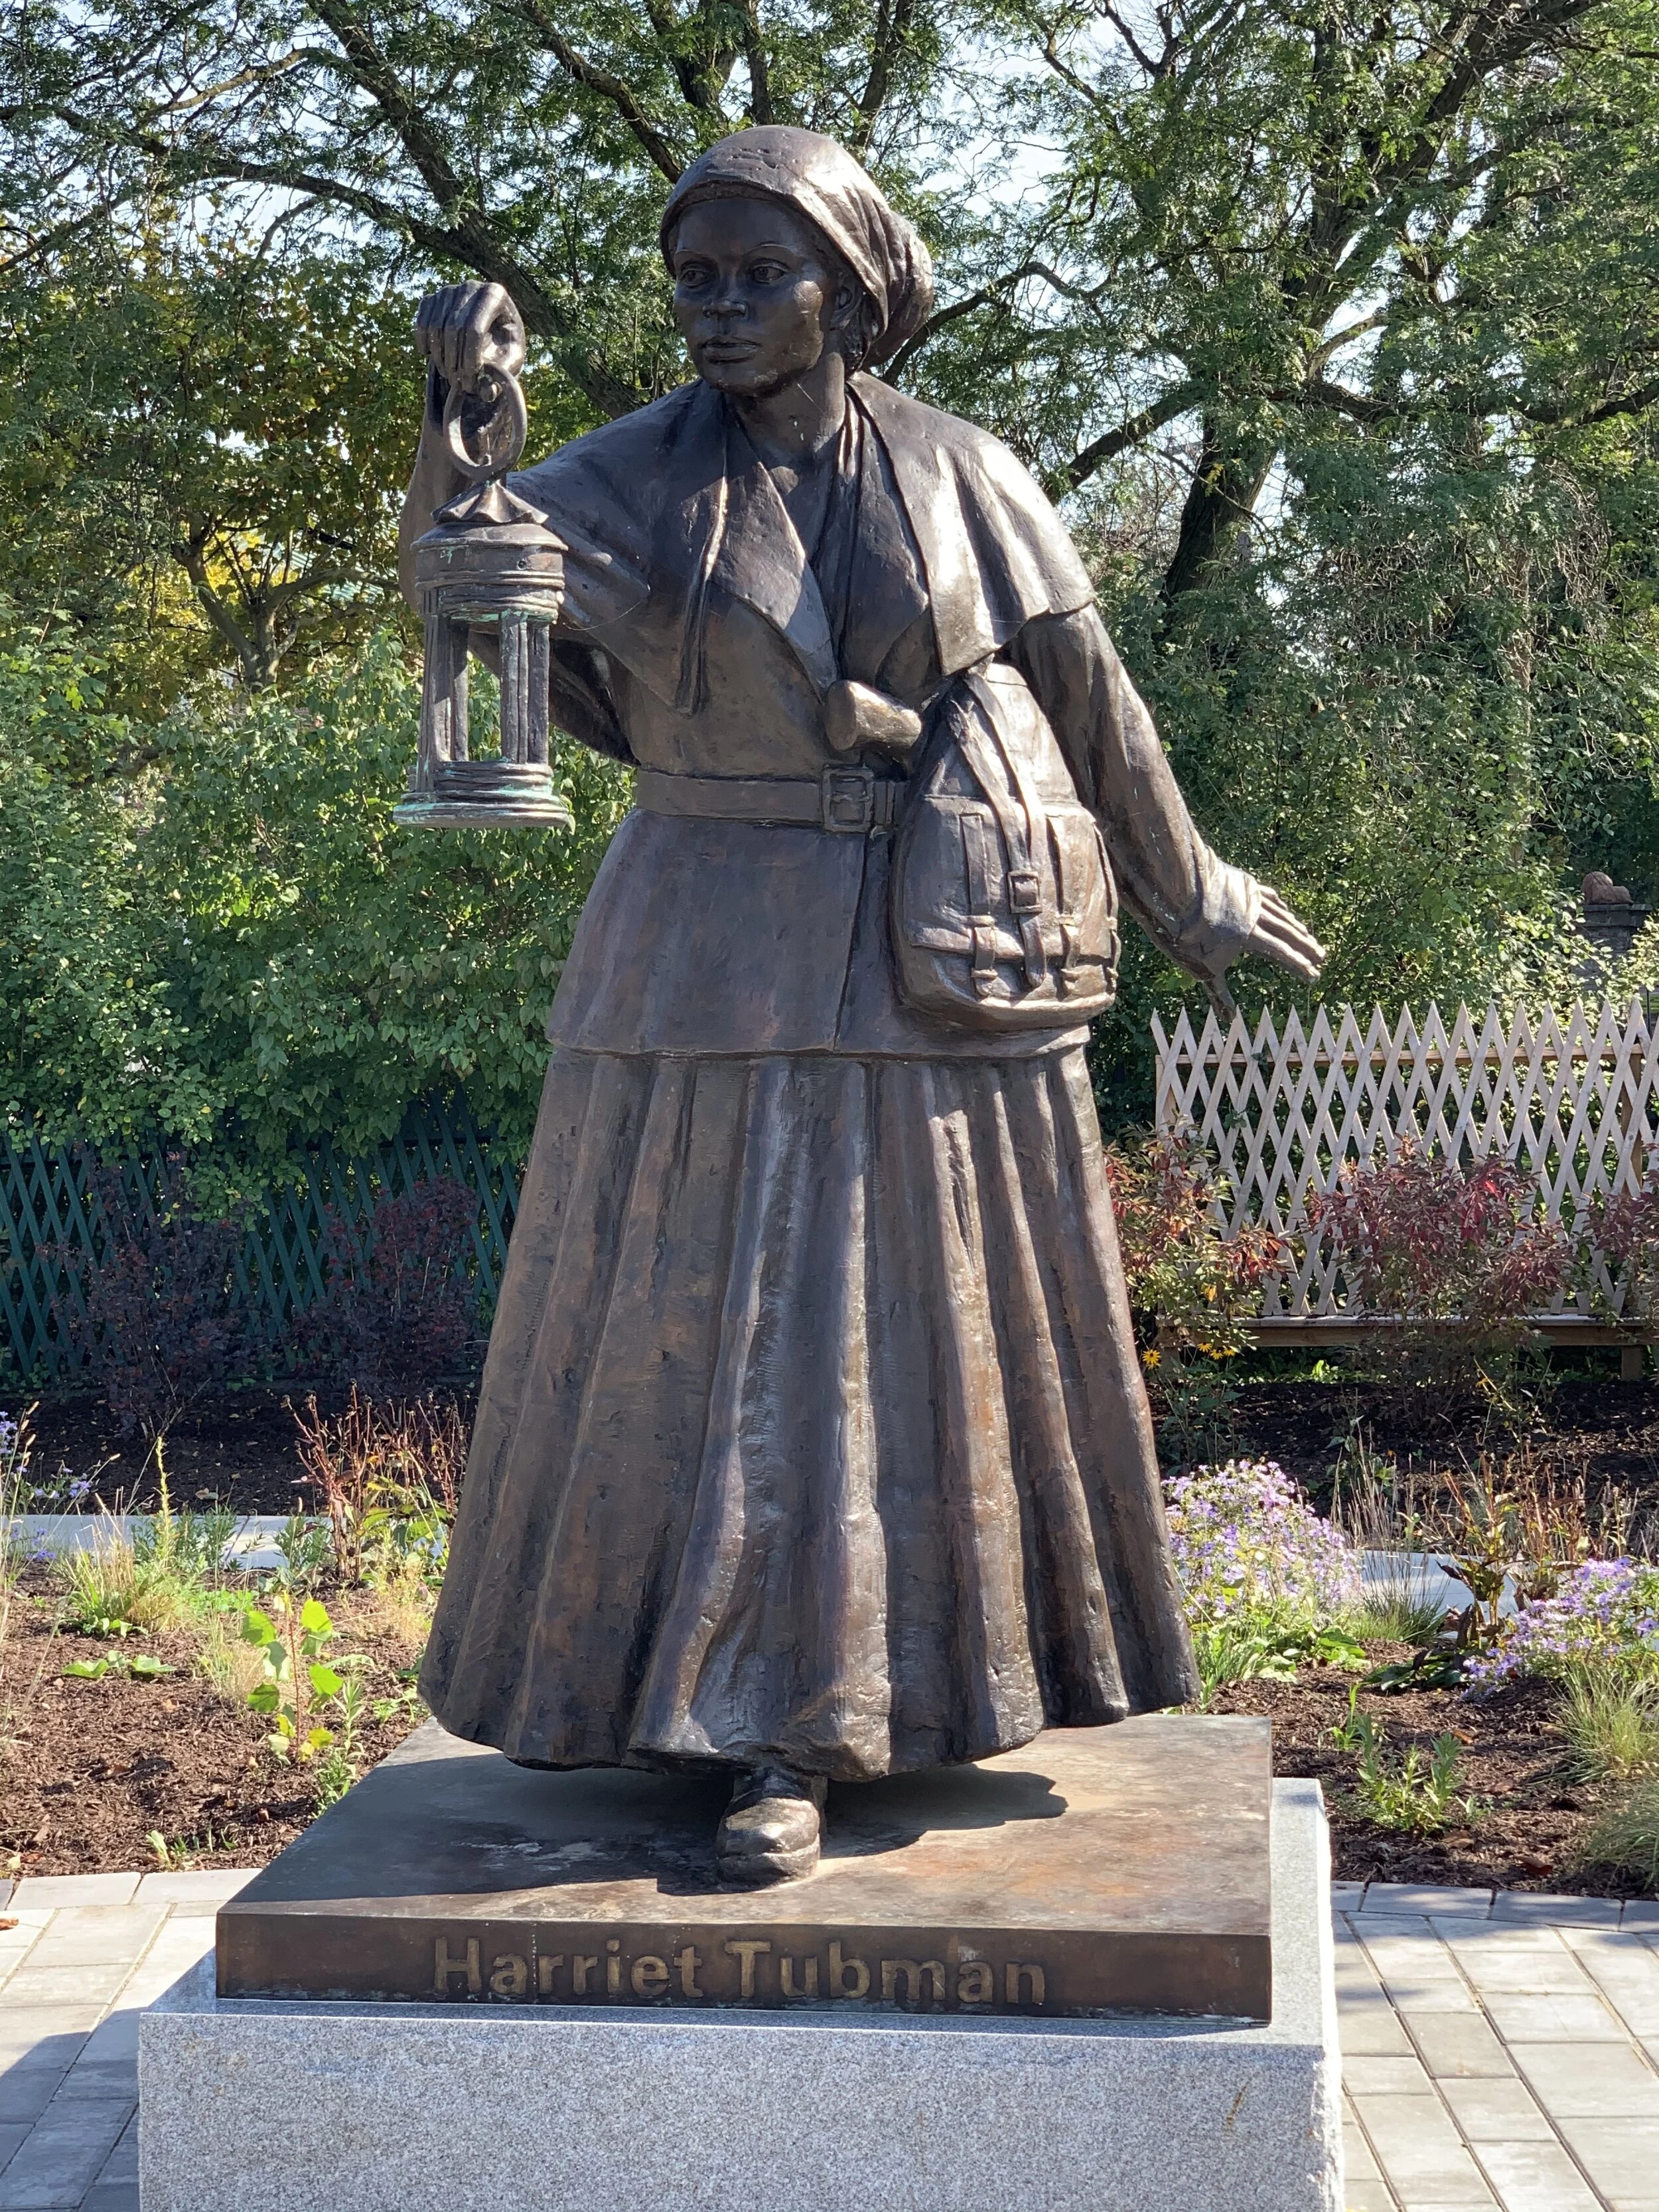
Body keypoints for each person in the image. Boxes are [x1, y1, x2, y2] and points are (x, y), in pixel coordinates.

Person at [401, 125, 1323, 1885]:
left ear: (848, 290)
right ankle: (708, 1708)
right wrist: (454, 420)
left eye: (759, 275)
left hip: (921, 957)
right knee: (702, 1329)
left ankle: (835, 1714)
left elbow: (1080, 682)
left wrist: (1182, 880)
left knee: (882, 1338)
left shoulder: (961, 468)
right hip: (699, 941)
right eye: (695, 277)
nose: (721, 309)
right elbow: (469, 575)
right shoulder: (627, 476)